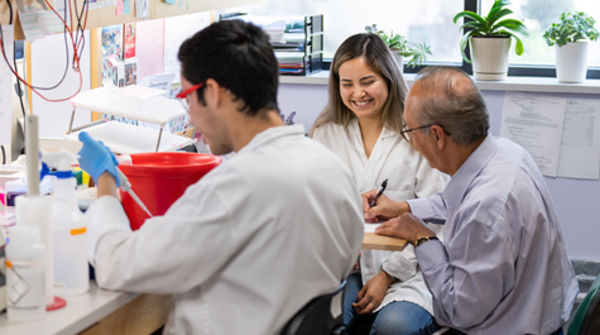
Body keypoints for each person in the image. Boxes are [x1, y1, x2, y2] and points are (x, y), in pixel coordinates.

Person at [78, 20, 364, 335]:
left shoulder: (235, 187)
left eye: (187, 97)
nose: (189, 114)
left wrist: (105, 182)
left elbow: (117, 265)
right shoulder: (333, 168)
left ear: (212, 92)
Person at [367, 66, 579, 334]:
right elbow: (455, 200)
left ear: (437, 135)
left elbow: (460, 310)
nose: (411, 141)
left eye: (409, 131)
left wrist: (423, 238)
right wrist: (404, 207)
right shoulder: (506, 153)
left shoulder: (486, 208)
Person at [310, 33, 448, 335]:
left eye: (367, 81)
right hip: (347, 267)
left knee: (394, 328)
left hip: (411, 271)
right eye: (347, 84)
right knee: (318, 322)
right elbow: (314, 205)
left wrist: (386, 275)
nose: (357, 93)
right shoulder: (326, 132)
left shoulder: (418, 134)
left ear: (388, 78)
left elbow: (438, 221)